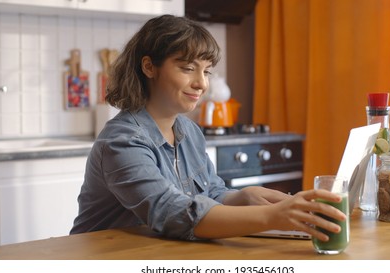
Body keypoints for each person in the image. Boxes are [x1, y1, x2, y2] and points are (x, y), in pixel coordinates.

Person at [70, 14, 346, 241]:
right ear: (149, 67)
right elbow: (172, 213)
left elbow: (210, 193)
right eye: (188, 68)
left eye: (206, 71)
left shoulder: (189, 132)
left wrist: (241, 197)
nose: (202, 83)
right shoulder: (123, 141)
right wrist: (273, 217)